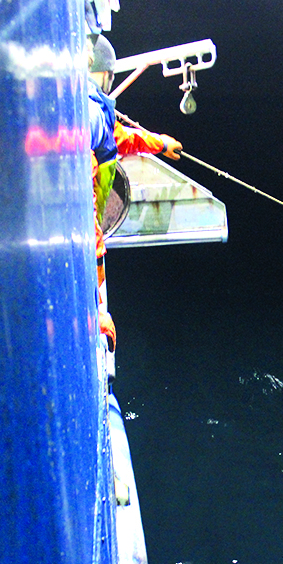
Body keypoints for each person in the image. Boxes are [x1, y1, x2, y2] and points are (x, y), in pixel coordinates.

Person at [88, 34, 183, 351]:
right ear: (101, 72)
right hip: (87, 242)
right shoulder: (86, 115)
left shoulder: (90, 112)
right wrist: (98, 309)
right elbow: (84, 220)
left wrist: (160, 143)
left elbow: (117, 137)